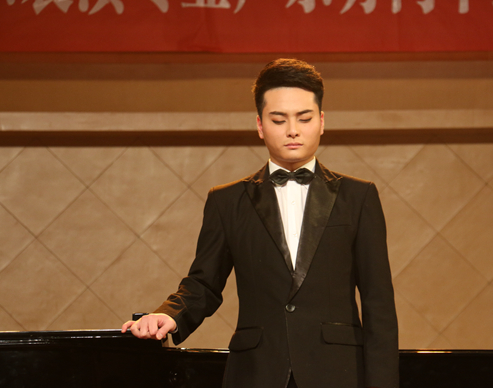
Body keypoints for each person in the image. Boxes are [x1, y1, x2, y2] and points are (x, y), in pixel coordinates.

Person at [122, 58, 398, 388]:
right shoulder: (227, 201)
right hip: (256, 373)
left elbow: (379, 304)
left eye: (305, 118)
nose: (293, 130)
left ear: (322, 122)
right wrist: (168, 314)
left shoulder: (359, 196)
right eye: (279, 120)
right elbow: (203, 283)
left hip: (339, 373)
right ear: (260, 125)